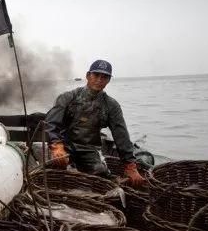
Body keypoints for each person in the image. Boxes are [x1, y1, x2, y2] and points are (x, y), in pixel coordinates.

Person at [45, 59, 146, 187]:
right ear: (88, 76)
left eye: (104, 77)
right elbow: (50, 123)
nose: (99, 79)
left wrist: (130, 165)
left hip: (88, 150)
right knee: (56, 171)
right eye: (96, 75)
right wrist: (56, 145)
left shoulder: (111, 105)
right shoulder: (67, 97)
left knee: (101, 173)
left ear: (108, 80)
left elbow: (121, 136)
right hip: (64, 146)